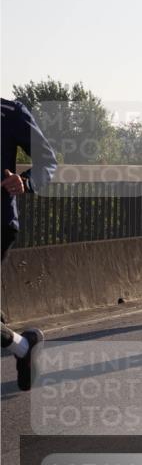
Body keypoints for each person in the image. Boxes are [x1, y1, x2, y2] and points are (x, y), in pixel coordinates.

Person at [1, 98, 57, 392]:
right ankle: (23, 346)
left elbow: (47, 162)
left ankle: (23, 347)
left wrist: (25, 182)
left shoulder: (10, 113)